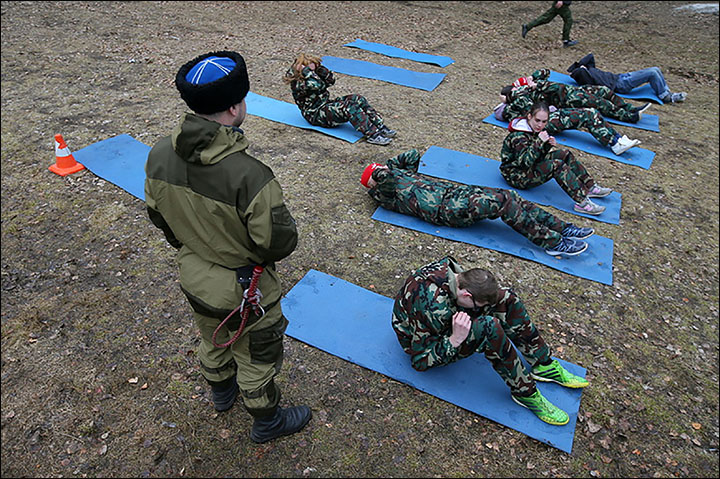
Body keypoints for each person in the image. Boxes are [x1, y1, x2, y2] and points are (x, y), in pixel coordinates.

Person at [144, 51, 311, 444]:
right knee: (256, 356)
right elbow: (278, 242)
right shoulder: (250, 176)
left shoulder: (158, 154)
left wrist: (195, 246)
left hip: (193, 274)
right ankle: (267, 421)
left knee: (211, 336)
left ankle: (222, 394)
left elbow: (159, 217)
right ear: (235, 107)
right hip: (245, 289)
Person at [392, 256, 589, 425]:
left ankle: (542, 364)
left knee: (507, 298)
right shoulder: (433, 306)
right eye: (478, 304)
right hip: (421, 341)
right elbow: (420, 361)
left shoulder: (455, 272)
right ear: (467, 294)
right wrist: (454, 339)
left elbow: (485, 300)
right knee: (489, 327)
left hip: (441, 313)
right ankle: (525, 392)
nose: (481, 308)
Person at [361, 148, 595, 257]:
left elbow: (412, 155)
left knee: (510, 196)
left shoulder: (395, 175)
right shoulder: (383, 194)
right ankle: (551, 242)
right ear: (372, 184)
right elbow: (387, 178)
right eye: (376, 173)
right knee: (503, 203)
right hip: (447, 210)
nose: (381, 171)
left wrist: (387, 164)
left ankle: (562, 228)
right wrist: (381, 173)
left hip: (454, 193)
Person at [500, 102, 613, 216]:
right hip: (515, 175)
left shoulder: (533, 129)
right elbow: (524, 163)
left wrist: (547, 145)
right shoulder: (518, 136)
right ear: (529, 116)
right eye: (537, 120)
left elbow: (536, 157)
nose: (540, 125)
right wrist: (540, 142)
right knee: (557, 165)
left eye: (544, 122)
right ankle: (582, 202)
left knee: (564, 153)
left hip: (526, 168)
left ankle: (589, 186)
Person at [283, 53, 396, 145]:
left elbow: (331, 81)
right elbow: (319, 85)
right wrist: (307, 72)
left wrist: (319, 68)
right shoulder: (298, 83)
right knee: (349, 107)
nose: (313, 72)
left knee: (357, 98)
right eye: (311, 70)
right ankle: (372, 135)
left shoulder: (312, 75)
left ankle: (379, 126)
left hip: (325, 105)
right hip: (315, 114)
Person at [494, 87, 641, 156]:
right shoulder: (512, 104)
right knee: (588, 114)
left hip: (549, 113)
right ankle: (615, 143)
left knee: (592, 110)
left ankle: (617, 139)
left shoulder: (519, 99)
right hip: (545, 120)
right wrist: (521, 90)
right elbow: (528, 106)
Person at [503, 69, 652, 124]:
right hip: (567, 100)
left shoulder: (528, 86)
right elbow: (508, 106)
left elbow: (545, 71)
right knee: (600, 103)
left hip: (570, 90)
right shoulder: (522, 97)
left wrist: (533, 78)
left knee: (603, 91)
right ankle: (628, 116)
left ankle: (630, 108)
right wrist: (537, 86)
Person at [567, 52, 687, 104]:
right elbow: (581, 74)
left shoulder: (589, 68)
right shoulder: (586, 77)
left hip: (620, 77)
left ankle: (667, 92)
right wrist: (579, 68)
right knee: (652, 73)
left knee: (656, 69)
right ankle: (665, 96)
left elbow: (590, 56)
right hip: (620, 85)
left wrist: (580, 64)